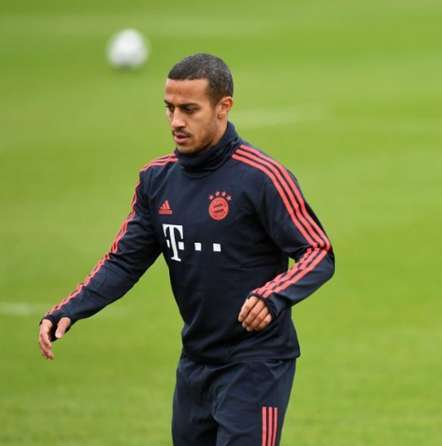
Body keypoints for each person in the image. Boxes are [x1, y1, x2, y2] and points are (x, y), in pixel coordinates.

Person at [38, 53, 335, 446]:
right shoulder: (156, 180)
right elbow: (123, 261)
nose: (176, 121)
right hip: (195, 363)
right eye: (170, 108)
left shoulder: (262, 177)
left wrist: (273, 296)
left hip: (256, 364)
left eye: (189, 109)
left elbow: (318, 251)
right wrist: (71, 308)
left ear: (223, 107)